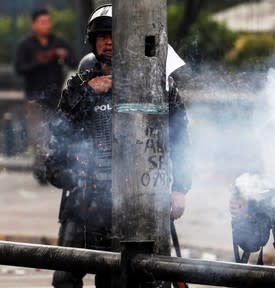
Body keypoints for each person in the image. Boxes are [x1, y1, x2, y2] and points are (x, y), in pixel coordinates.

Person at [45, 5, 191, 287]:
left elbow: (181, 139)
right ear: (93, 41)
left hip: (138, 199)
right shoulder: (81, 82)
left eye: (114, 34)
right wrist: (89, 92)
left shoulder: (157, 83)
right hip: (84, 199)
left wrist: (180, 188)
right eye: (102, 36)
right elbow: (59, 133)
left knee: (123, 278)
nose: (109, 41)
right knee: (65, 277)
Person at [14, 8, 77, 184]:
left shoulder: (58, 42)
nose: (46, 25)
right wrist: (41, 59)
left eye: (48, 22)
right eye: (42, 22)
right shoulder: (26, 45)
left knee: (57, 134)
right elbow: (20, 69)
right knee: (39, 135)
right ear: (34, 25)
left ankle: (56, 169)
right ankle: (41, 172)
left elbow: (75, 61)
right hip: (34, 99)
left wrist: (63, 55)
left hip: (56, 98)